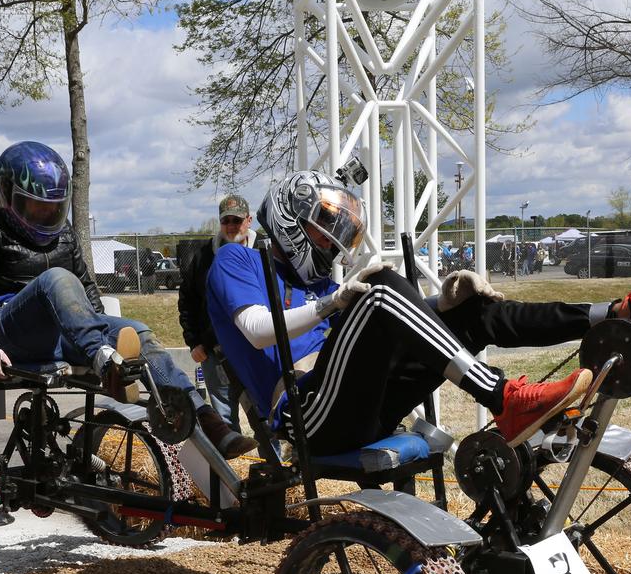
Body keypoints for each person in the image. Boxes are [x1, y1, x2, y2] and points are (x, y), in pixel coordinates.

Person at [206, 171, 594, 457]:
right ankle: (504, 399)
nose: (332, 244)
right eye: (324, 230)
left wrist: (441, 304)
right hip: (306, 415)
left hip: (363, 407)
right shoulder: (237, 259)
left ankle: (609, 316)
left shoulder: (321, 287)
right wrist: (333, 302)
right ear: (290, 218)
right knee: (381, 285)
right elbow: (256, 330)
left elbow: (373, 328)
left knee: (471, 309)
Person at [0, 140, 255, 459]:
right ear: (7, 197)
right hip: (15, 334)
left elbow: (88, 289)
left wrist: (103, 328)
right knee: (58, 279)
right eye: (36, 207)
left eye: (54, 208)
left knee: (138, 330)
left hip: (64, 334)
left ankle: (206, 420)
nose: (47, 215)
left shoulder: (64, 232)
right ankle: (106, 361)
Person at [178, 194, 256, 431]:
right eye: (226, 221)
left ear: (249, 220)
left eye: (237, 220)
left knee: (264, 418)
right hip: (215, 353)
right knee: (224, 420)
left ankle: (271, 466)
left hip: (256, 351)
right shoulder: (203, 256)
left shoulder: (263, 252)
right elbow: (187, 301)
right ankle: (230, 468)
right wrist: (194, 342)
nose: (232, 226)